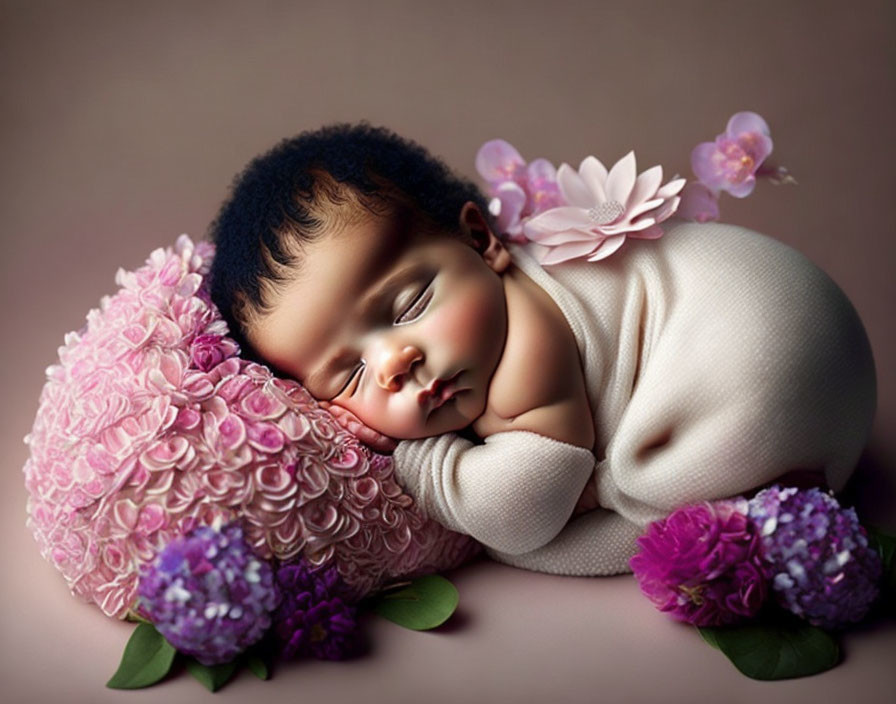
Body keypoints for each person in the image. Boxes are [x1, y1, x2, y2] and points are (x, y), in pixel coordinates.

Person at [209, 123, 876, 576]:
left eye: (410, 306)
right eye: (350, 375)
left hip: (770, 372)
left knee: (542, 533)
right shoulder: (508, 299)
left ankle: (713, 501)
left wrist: (421, 459)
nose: (395, 363)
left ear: (481, 240)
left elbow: (523, 511)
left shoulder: (523, 349)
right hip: (813, 352)